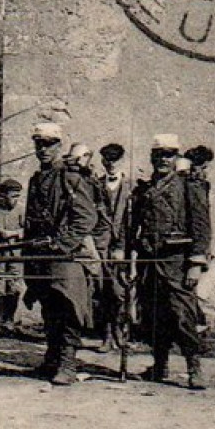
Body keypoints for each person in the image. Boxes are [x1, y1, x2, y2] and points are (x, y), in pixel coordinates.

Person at [129, 134, 213, 390]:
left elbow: (201, 225)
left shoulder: (189, 186)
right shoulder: (144, 189)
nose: (163, 159)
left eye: (168, 154)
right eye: (158, 155)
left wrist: (196, 262)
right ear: (152, 157)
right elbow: (135, 227)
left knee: (182, 315)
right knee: (153, 315)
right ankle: (160, 364)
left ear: (176, 157)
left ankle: (193, 367)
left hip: (177, 262)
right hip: (149, 262)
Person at [22, 122, 99, 386]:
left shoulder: (70, 177)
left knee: (68, 307)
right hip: (39, 254)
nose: (43, 149)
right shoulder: (36, 178)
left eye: (49, 144)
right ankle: (52, 358)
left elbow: (87, 218)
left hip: (66, 256)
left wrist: (63, 244)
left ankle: (67, 363)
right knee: (48, 307)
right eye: (38, 144)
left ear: (59, 146)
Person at [94, 143, 135, 351]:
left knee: (121, 291)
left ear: (121, 161)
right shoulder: (96, 185)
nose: (111, 164)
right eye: (107, 160)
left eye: (115, 160)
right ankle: (107, 335)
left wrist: (124, 247)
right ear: (102, 162)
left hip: (124, 247)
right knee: (103, 290)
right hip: (100, 245)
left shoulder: (132, 187)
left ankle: (121, 330)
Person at [0, 178, 26, 332]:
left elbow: (28, 231)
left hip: (15, 254)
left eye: (17, 196)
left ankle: (9, 320)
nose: (15, 200)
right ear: (2, 195)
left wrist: (13, 233)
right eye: (12, 196)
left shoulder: (21, 211)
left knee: (13, 287)